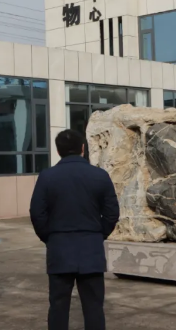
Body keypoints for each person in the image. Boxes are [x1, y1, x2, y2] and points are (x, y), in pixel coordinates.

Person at [30, 129, 120, 330]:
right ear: (82, 148)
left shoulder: (47, 176)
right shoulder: (100, 175)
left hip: (59, 249)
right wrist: (99, 234)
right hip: (91, 249)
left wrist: (50, 237)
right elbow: (112, 212)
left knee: (58, 306)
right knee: (94, 307)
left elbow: (37, 213)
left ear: (58, 150)